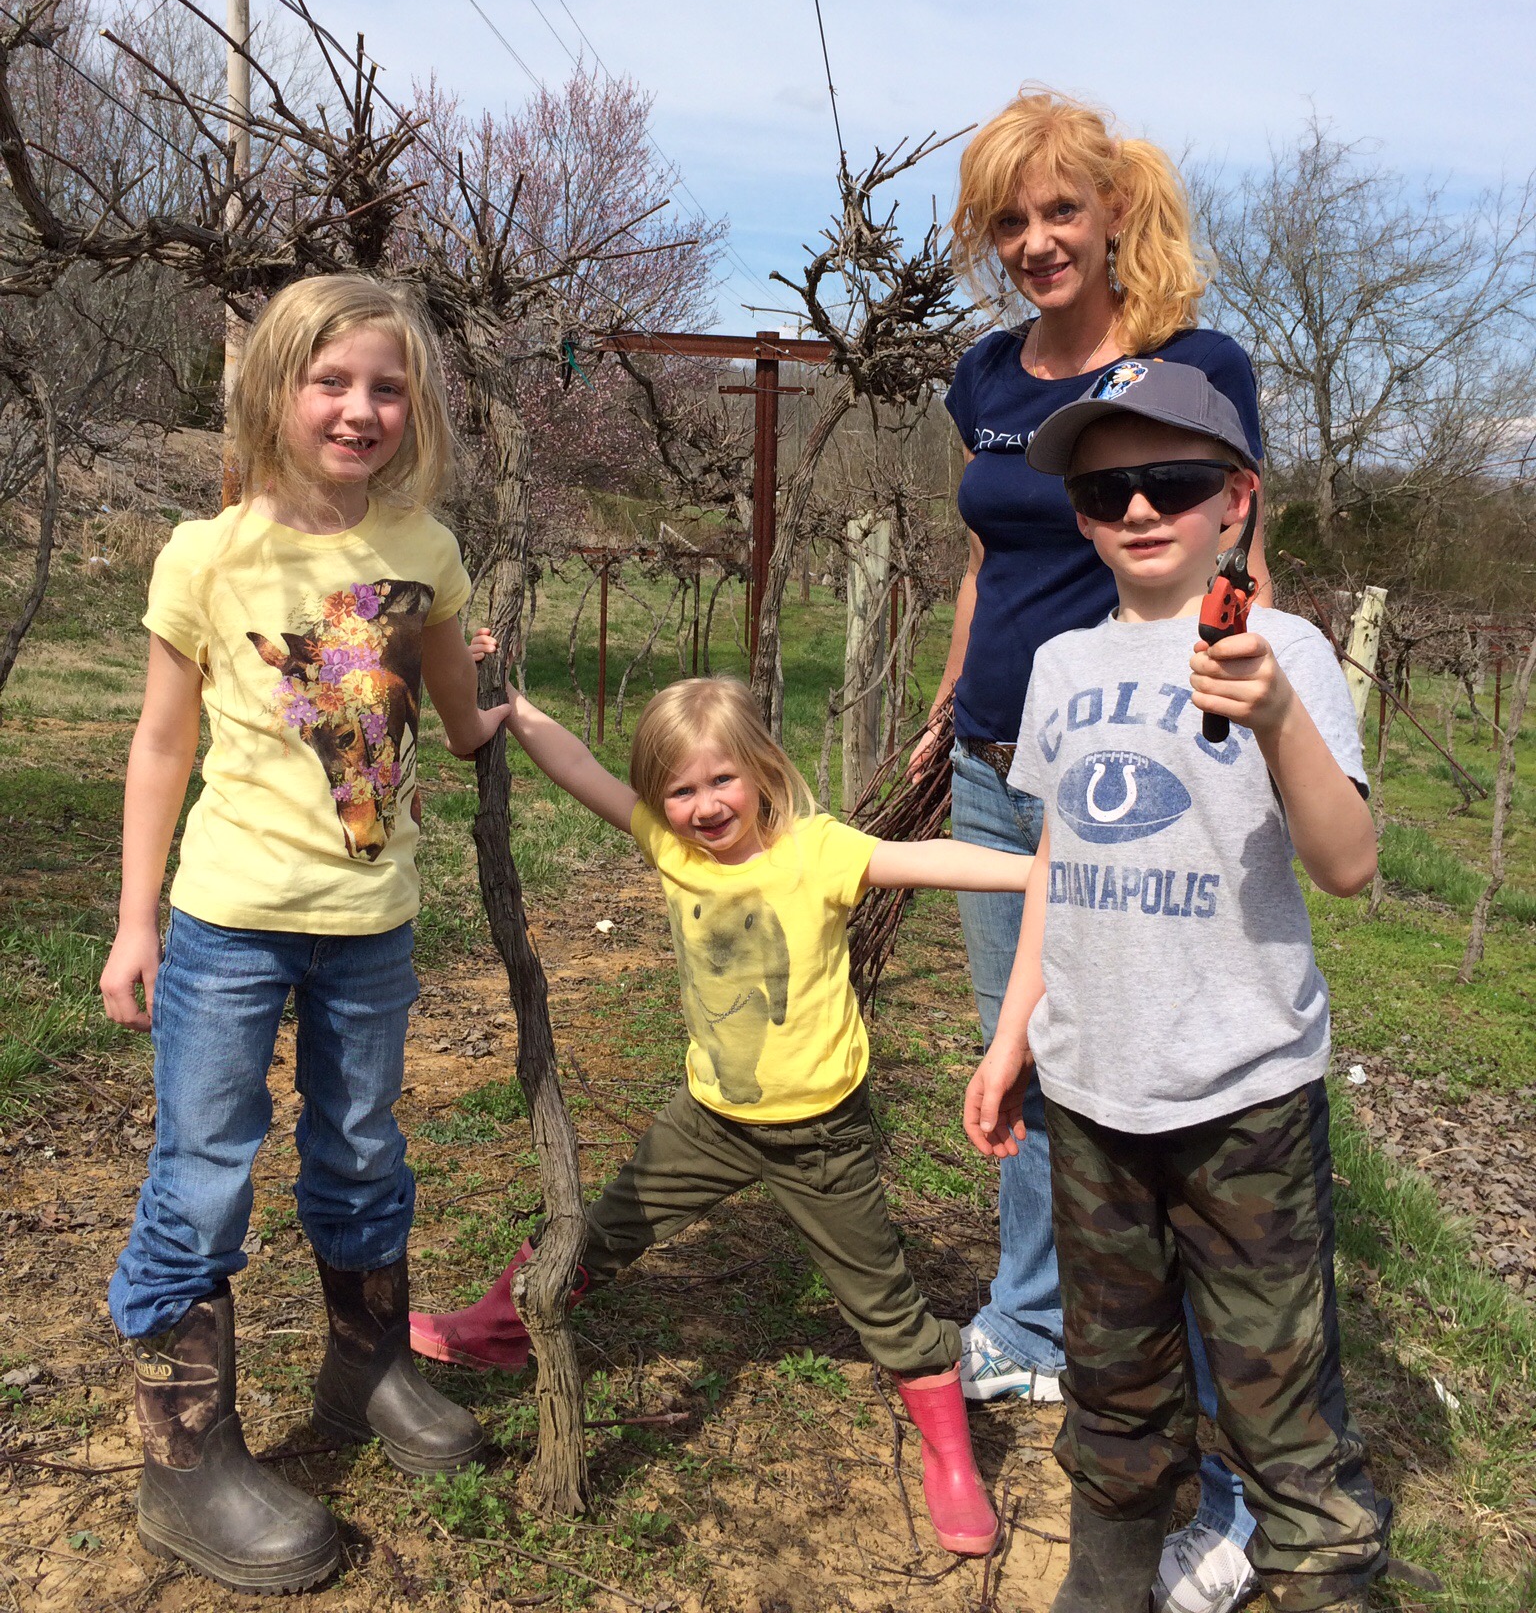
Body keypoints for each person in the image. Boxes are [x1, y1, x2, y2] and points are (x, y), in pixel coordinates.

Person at [410, 675, 1035, 1558]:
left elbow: (932, 862)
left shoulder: (818, 850)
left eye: (721, 781)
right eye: (680, 790)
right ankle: (502, 1328)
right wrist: (513, 706)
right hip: (710, 1119)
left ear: (762, 770)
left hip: (820, 1136)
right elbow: (580, 768)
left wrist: (1041, 870)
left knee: (885, 1303)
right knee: (603, 1227)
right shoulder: (674, 850)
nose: (703, 806)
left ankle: (951, 1457)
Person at [98, 274, 514, 1594]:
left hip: (370, 923)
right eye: (330, 381)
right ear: (273, 390)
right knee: (203, 1171)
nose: (359, 408)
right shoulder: (208, 555)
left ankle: (365, 1366)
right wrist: (135, 920)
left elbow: (453, 711)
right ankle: (182, 1462)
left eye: (387, 386)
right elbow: (159, 743)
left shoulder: (424, 547)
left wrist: (490, 703)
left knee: (362, 1147)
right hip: (229, 922)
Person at [963, 360, 1392, 1613]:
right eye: (1107, 491)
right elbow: (1057, 859)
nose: (1140, 508)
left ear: (1235, 499)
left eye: (1173, 480)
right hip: (1093, 1091)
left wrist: (1277, 718)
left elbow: (1350, 864)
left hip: (1243, 1097)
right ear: (1081, 516)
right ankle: (1108, 1573)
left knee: (1277, 1389)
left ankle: (1319, 1569)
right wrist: (1012, 1036)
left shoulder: (1283, 649)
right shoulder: (1061, 662)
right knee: (1114, 1376)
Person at [916, 89, 1267, 1610]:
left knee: (1150, 1073)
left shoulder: (1195, 365)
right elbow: (986, 561)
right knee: (1029, 1055)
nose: (1036, 239)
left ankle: (1217, 1408)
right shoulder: (986, 377)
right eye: (1010, 218)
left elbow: (1241, 550)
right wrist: (948, 703)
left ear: (1114, 211)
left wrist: (1232, 732)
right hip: (998, 761)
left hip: (1130, 772)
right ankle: (1034, 1317)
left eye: (1061, 209)